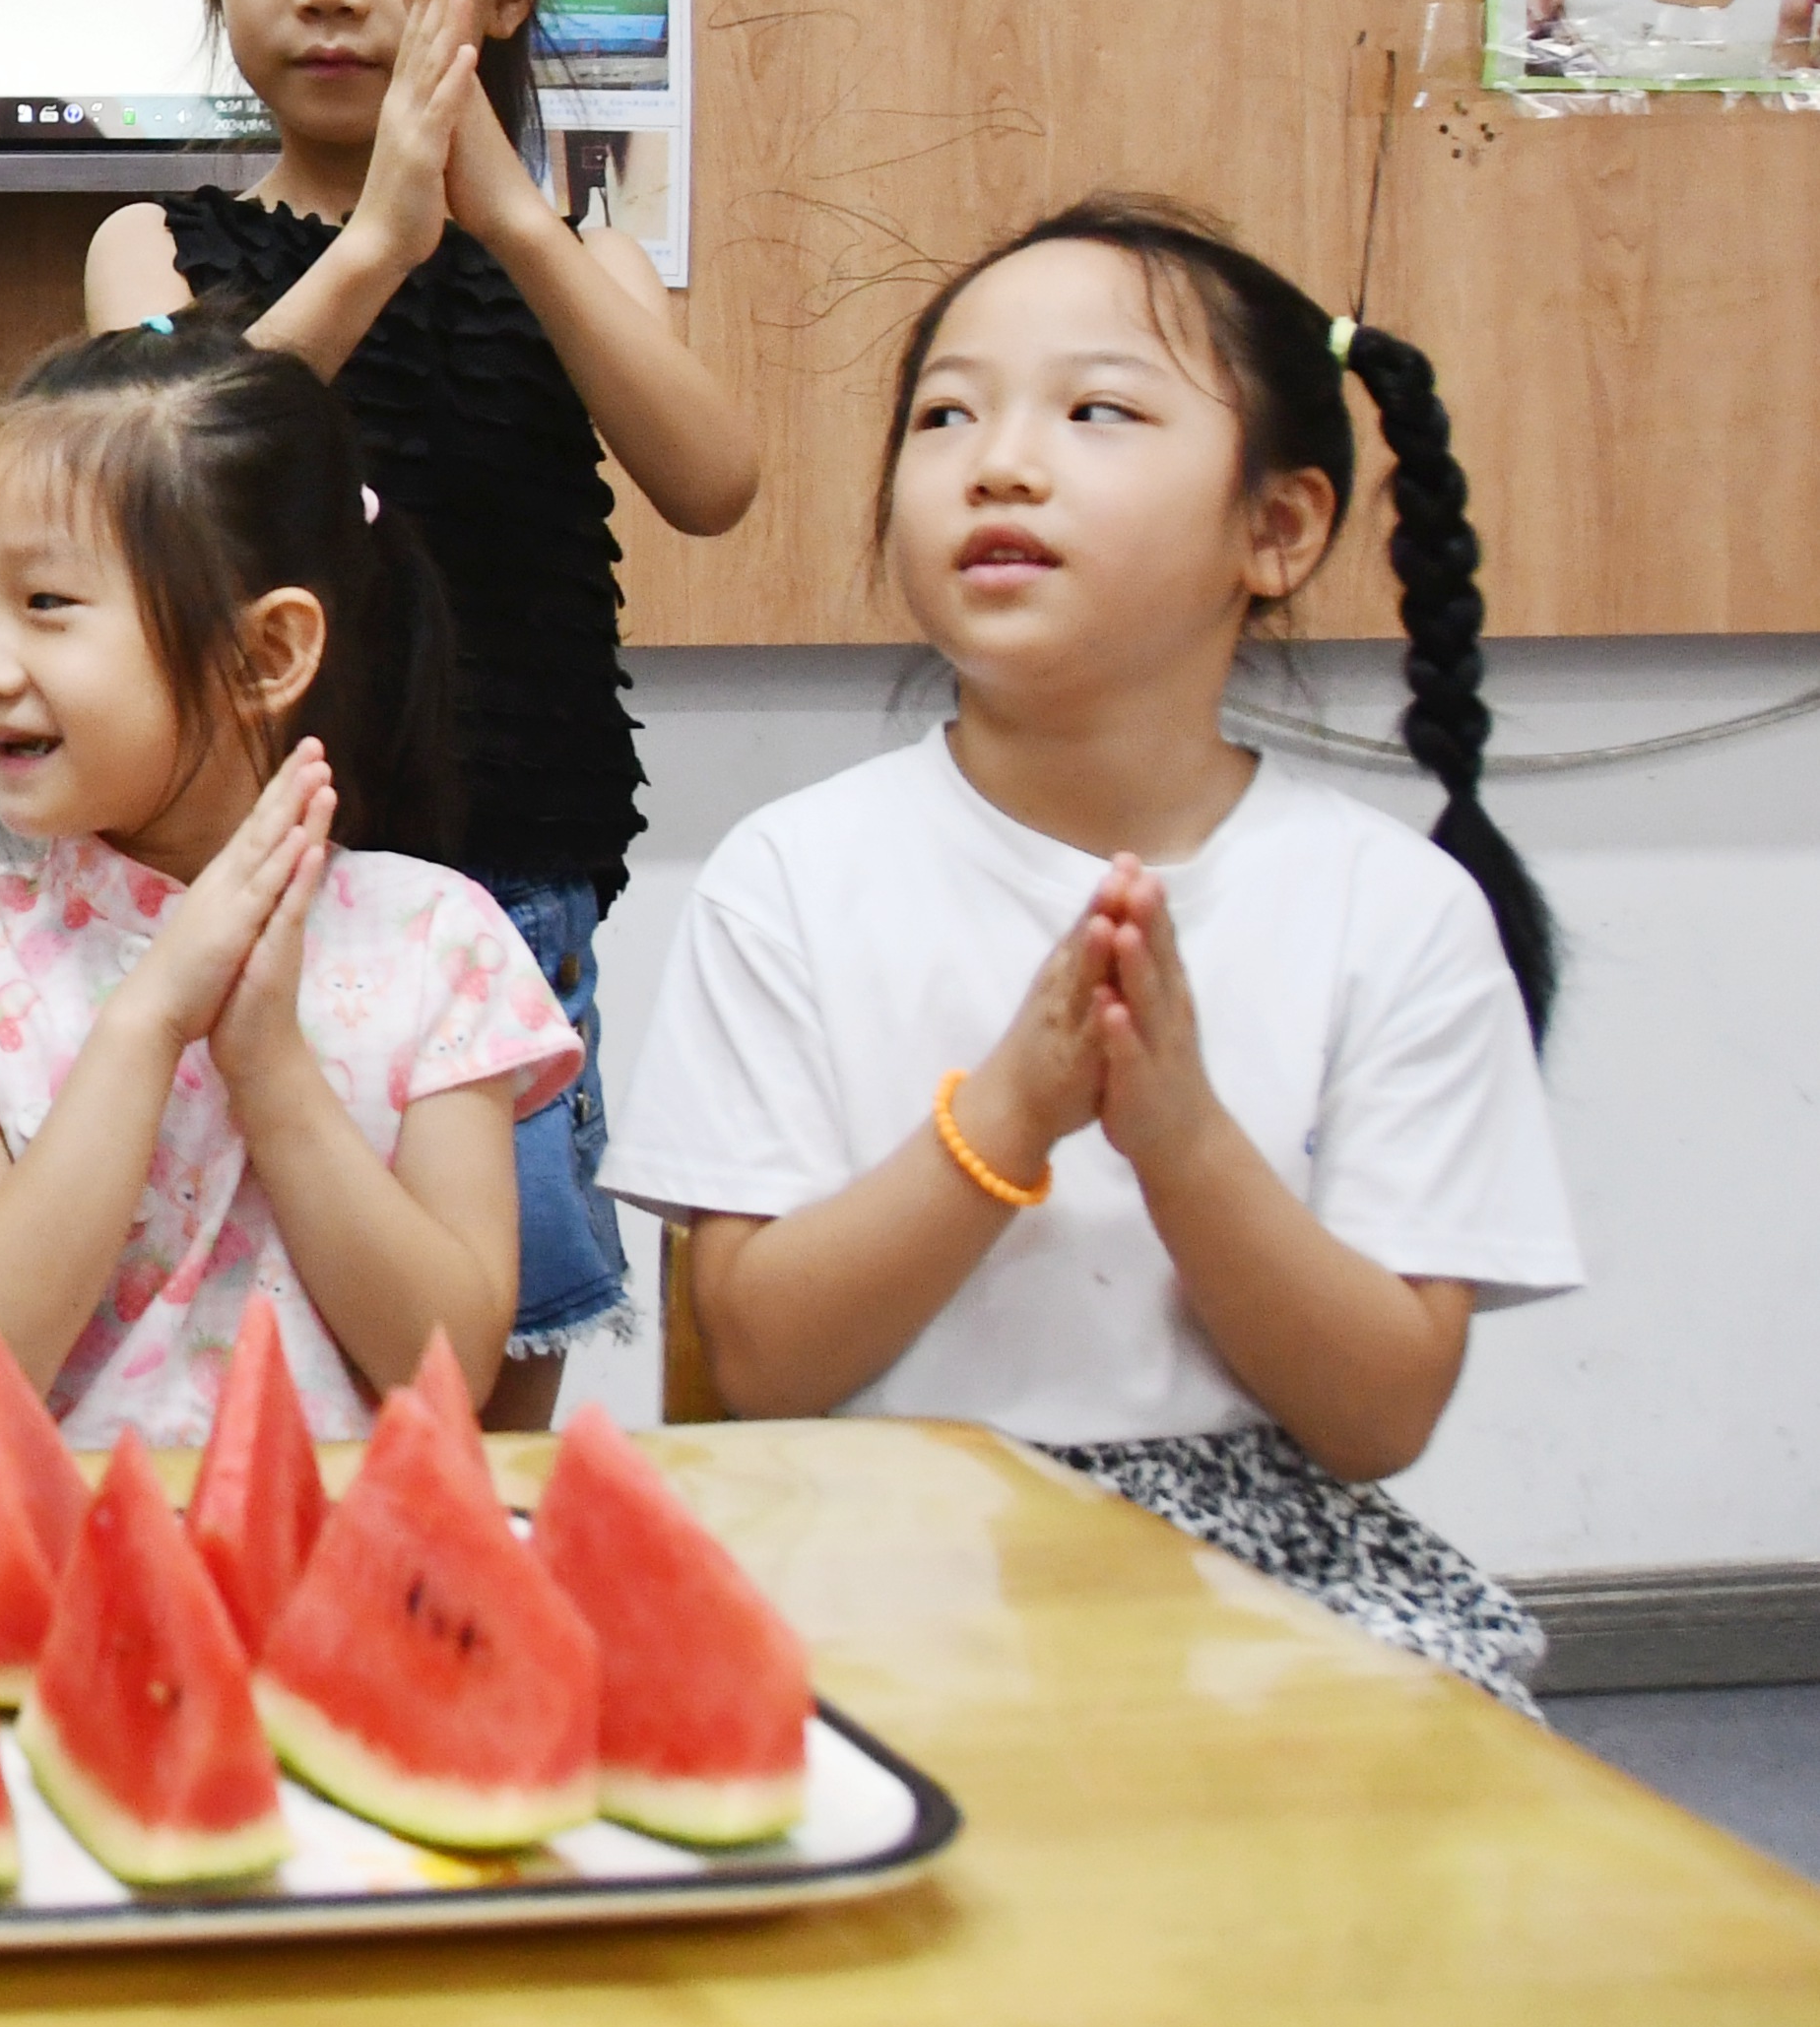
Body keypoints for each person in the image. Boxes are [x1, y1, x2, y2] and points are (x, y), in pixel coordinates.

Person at [605, 197, 1578, 1705]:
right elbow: (760, 1363)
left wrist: (1176, 1134)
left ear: (1276, 527)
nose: (997, 458)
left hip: (1263, 1590)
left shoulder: (1388, 908)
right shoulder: (790, 876)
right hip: (876, 1547)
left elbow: (1378, 1413)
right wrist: (1007, 1113)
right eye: (944, 413)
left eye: (1095, 408)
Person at [82, 0, 757, 1427]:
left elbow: (712, 476)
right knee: (246, 1336)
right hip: (247, 893)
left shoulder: (574, 244)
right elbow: (161, 457)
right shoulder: (155, 240)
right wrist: (378, 237)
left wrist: (503, 217)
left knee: (480, 1370)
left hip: (511, 884)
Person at [0, 321, 583, 1443]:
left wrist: (267, 1063)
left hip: (337, 1581)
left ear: (266, 654)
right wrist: (146, 1021)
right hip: (37, 1586)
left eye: (46, 605)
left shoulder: (438, 939)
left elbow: (448, 1370)